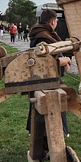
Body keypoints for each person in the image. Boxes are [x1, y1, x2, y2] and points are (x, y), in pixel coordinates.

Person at [27, 8, 73, 141]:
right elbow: (47, 62)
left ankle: (42, 141)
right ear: (53, 22)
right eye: (56, 21)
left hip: (42, 80)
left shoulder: (39, 34)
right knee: (52, 108)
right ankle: (52, 140)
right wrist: (66, 60)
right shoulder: (43, 37)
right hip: (46, 81)